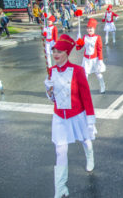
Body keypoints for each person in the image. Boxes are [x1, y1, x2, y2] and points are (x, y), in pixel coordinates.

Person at [44, 34, 97, 198]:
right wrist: (49, 91)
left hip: (77, 115)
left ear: (67, 52)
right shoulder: (51, 71)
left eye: (59, 51)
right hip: (59, 117)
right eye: (54, 51)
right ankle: (60, 189)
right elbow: (53, 98)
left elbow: (87, 97)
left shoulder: (78, 71)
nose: (55, 54)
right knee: (60, 152)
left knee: (86, 141)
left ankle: (90, 156)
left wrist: (90, 121)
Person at [76, 18, 106, 94]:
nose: (89, 30)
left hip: (94, 59)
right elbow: (79, 48)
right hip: (86, 60)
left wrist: (100, 60)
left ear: (94, 29)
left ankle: (102, 85)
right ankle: (84, 89)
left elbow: (99, 49)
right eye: (88, 28)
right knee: (85, 75)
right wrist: (78, 42)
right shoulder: (85, 37)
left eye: (91, 28)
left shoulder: (97, 37)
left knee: (98, 73)